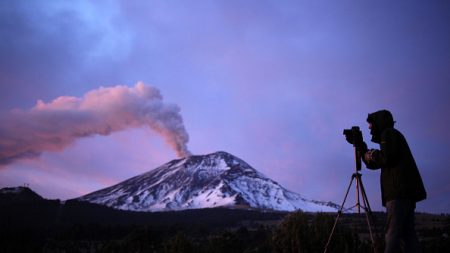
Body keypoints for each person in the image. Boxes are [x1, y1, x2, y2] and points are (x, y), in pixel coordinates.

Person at [362, 109, 427, 253]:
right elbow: (381, 161)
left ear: (378, 122)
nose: (369, 128)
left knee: (392, 233)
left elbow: (386, 157)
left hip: (398, 193)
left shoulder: (388, 134)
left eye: (371, 124)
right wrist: (364, 151)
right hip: (406, 193)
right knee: (408, 234)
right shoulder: (393, 136)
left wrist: (370, 154)